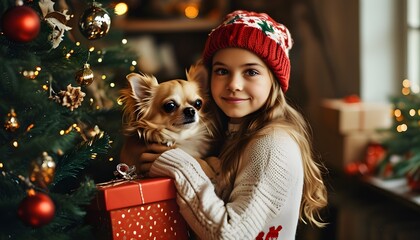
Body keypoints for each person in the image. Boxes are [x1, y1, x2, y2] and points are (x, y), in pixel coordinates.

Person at [120, 10, 328, 240]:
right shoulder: (234, 133)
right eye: (222, 71)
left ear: (274, 80)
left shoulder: (271, 145)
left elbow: (231, 235)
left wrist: (179, 164)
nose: (234, 84)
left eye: (251, 72)